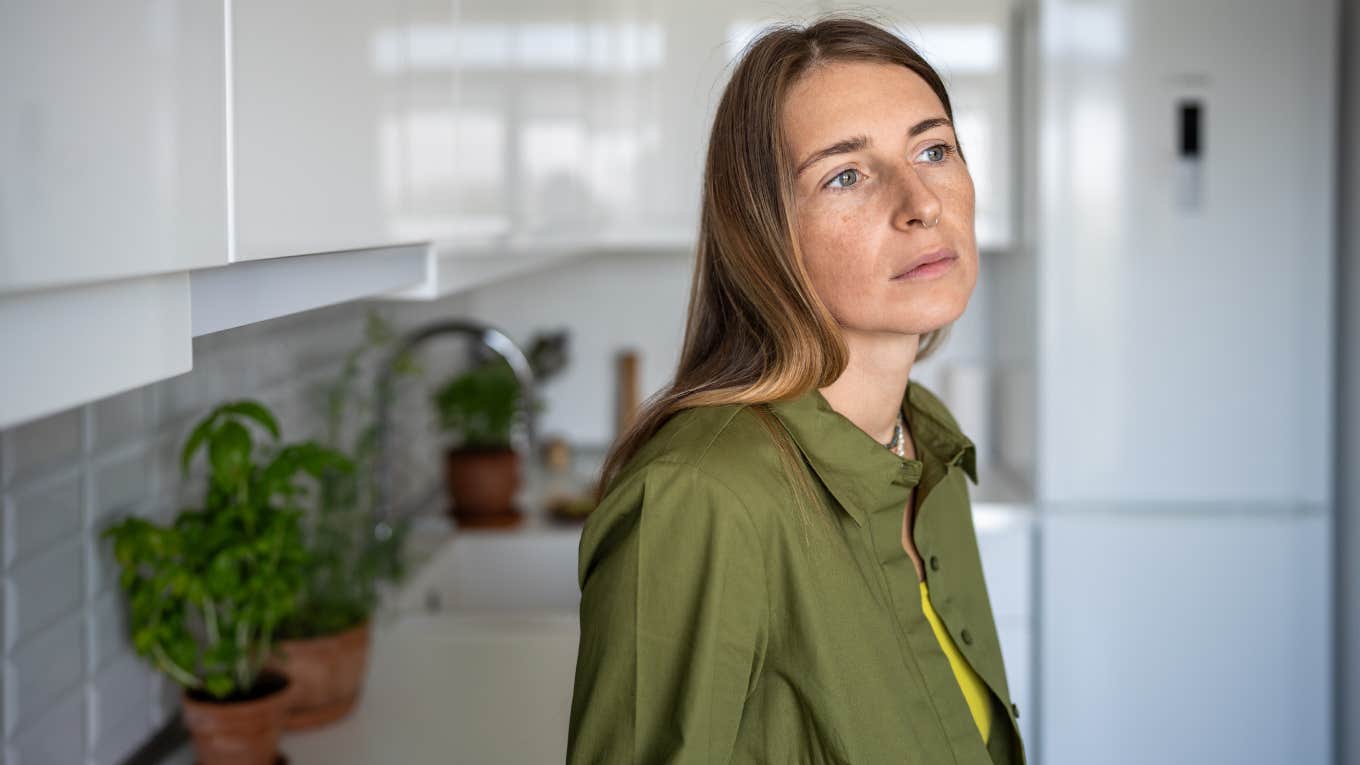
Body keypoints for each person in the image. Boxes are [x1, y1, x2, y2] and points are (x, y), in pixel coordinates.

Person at [567, 14, 1027, 765]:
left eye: (934, 149)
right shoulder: (701, 497)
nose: (920, 202)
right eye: (845, 174)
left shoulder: (926, 436)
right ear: (763, 233)